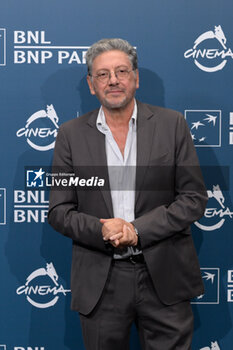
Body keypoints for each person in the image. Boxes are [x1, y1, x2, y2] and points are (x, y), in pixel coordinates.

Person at [48, 38, 208, 350]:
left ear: (136, 78)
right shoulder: (70, 134)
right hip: (101, 279)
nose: (114, 81)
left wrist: (137, 231)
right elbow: (59, 211)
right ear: (91, 85)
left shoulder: (172, 125)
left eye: (121, 71)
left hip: (164, 275)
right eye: (103, 74)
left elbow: (193, 199)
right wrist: (100, 229)